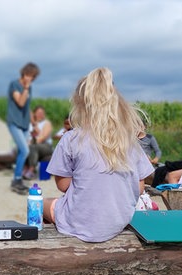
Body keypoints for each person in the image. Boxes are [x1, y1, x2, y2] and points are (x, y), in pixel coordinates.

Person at [43, 67, 154, 242]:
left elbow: (63, 185)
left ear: (80, 104)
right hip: (119, 220)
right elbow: (140, 187)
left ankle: (53, 247)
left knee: (41, 204)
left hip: (80, 221)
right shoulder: (129, 140)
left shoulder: (71, 139)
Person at [7, 62, 40, 194]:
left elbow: (27, 107)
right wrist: (26, 88)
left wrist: (34, 123)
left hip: (25, 125)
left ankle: (18, 179)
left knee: (23, 152)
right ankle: (16, 179)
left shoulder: (29, 88)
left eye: (31, 76)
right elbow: (20, 102)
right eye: (27, 75)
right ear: (23, 73)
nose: (29, 78)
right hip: (14, 122)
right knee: (25, 150)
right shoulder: (14, 85)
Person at [23, 105, 53, 180]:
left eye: (42, 113)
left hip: (45, 146)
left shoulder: (46, 123)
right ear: (34, 114)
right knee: (24, 147)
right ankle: (25, 168)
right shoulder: (29, 125)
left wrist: (35, 126)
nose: (40, 114)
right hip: (31, 144)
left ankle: (31, 170)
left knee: (32, 147)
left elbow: (43, 137)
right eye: (38, 112)